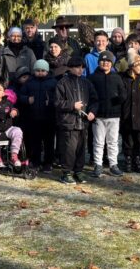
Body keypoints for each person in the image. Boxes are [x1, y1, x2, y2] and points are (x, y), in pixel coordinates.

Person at [54, 56, 98, 184]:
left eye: (82, 67)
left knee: (81, 148)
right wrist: (72, 105)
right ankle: (66, 172)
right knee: (69, 149)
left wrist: (92, 112)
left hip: (83, 122)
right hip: (68, 122)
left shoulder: (86, 82)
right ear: (70, 68)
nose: (80, 70)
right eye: (77, 67)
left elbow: (95, 100)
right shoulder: (62, 82)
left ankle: (78, 171)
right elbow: (57, 102)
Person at [87, 51, 126, 177]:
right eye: (103, 61)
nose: (105, 63)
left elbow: (123, 94)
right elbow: (89, 96)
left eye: (108, 61)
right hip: (98, 116)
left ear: (112, 63)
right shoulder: (93, 78)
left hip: (114, 115)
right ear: (98, 62)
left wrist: (116, 101)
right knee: (98, 142)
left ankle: (113, 164)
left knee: (113, 141)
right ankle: (98, 164)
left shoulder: (117, 77)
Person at [18, 59, 58, 172]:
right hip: (33, 117)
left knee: (49, 142)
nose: (40, 73)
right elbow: (20, 96)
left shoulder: (53, 82)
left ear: (47, 71)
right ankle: (35, 161)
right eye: (38, 70)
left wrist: (51, 102)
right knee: (35, 141)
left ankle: (48, 162)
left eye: (43, 71)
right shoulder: (29, 82)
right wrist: (27, 99)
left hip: (49, 117)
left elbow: (58, 97)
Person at [120, 54, 140, 174]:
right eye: (138, 64)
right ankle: (128, 160)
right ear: (132, 65)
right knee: (128, 139)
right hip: (126, 115)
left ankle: (138, 160)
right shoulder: (123, 78)